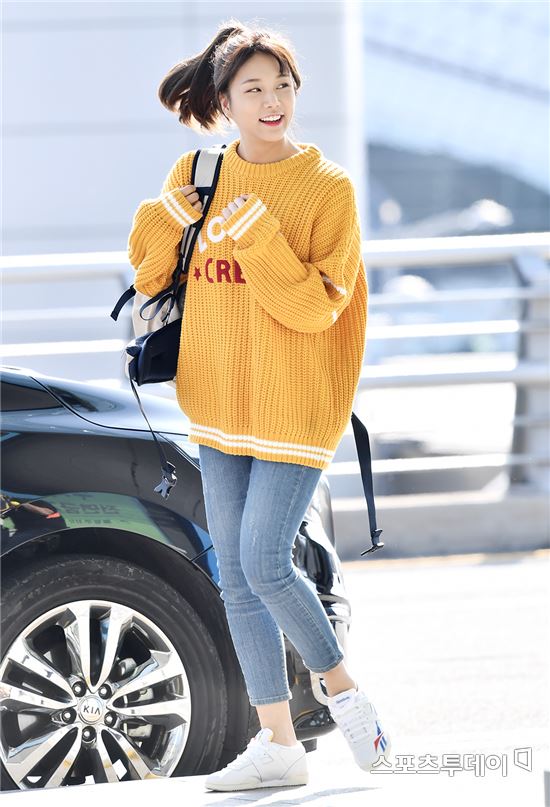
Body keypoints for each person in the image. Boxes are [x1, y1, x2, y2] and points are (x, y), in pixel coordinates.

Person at [127, 17, 391, 793]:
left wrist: (259, 239)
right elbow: (149, 275)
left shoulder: (328, 189)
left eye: (282, 86)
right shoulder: (199, 172)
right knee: (237, 576)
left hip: (296, 404)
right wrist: (170, 216)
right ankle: (277, 742)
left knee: (267, 561)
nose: (272, 101)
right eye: (254, 89)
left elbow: (316, 307)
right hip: (217, 400)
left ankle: (345, 694)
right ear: (225, 102)